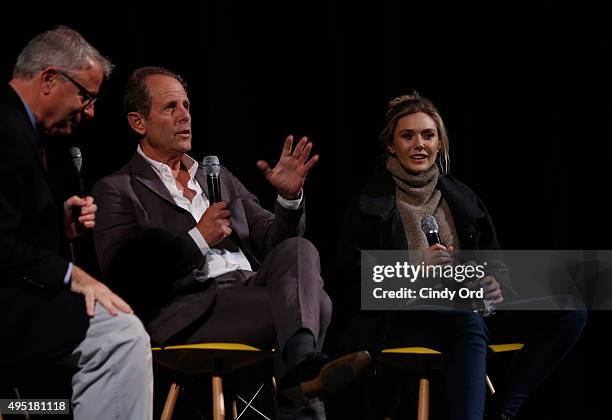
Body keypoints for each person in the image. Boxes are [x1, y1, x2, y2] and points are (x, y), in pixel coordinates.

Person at [92, 66, 370, 419]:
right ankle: (302, 391)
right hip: (189, 312)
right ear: (138, 122)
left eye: (187, 106)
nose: (185, 116)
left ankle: (301, 369)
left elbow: (274, 242)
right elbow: (123, 279)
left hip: (249, 290)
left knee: (300, 249)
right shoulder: (117, 188)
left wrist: (288, 200)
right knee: (320, 306)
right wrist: (197, 240)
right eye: (170, 108)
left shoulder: (217, 175)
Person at [333, 94, 587, 419]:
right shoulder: (368, 205)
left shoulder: (463, 200)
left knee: (569, 310)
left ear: (440, 144)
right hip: (399, 320)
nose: (419, 144)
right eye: (407, 136)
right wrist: (413, 268)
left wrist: (495, 286)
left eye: (428, 135)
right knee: (466, 323)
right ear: (391, 146)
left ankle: (502, 411)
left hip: (467, 309)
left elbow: (495, 265)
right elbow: (349, 286)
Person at [0, 26, 153, 419]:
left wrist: (56, 224)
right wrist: (73, 275)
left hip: (21, 307)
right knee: (120, 335)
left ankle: (28, 411)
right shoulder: (4, 127)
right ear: (50, 78)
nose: (89, 111)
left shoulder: (22, 129)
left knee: (53, 401)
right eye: (85, 95)